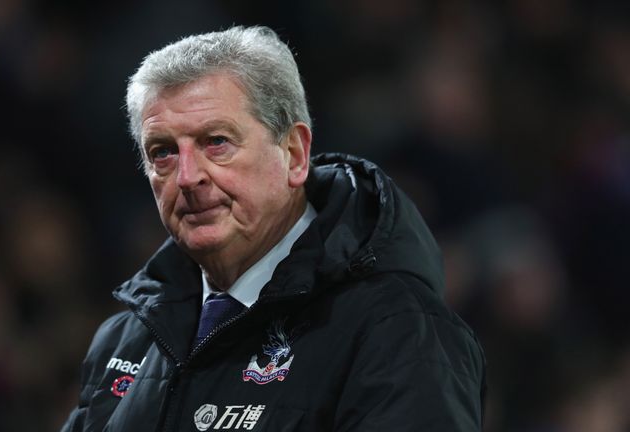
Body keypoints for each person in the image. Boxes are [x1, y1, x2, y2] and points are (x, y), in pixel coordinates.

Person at [61, 26, 486, 431]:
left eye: (217, 142)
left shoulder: (395, 330)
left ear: (295, 154)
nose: (188, 177)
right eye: (164, 152)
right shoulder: (124, 342)